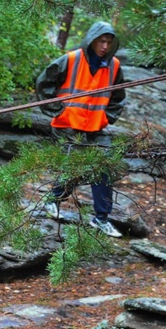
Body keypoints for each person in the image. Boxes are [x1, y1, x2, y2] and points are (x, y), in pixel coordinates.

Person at [35, 21, 126, 238]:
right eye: (101, 41)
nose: (105, 46)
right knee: (78, 166)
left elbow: (118, 97)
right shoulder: (71, 59)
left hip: (95, 126)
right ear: (91, 40)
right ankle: (53, 201)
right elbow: (43, 82)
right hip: (69, 124)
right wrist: (56, 109)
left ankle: (101, 219)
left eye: (108, 42)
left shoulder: (114, 66)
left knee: (104, 166)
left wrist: (107, 117)